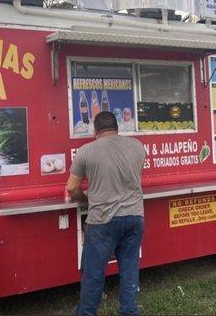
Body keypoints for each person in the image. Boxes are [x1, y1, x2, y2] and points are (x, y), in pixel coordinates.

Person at [67, 111, 146, 315]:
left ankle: (86, 312)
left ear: (95, 130)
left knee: (94, 271)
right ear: (117, 128)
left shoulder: (86, 151)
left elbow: (71, 188)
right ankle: (129, 311)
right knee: (129, 268)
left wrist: (85, 198)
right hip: (135, 217)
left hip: (102, 220)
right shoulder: (137, 146)